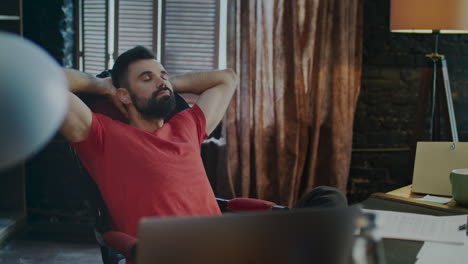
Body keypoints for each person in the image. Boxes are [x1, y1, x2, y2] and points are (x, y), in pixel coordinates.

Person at [60, 46, 237, 238]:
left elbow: (228, 78)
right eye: (146, 78)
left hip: (220, 247)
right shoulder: (101, 135)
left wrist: (168, 85)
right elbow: (42, 80)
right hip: (161, 253)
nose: (160, 81)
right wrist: (103, 87)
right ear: (124, 95)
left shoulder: (187, 125)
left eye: (163, 75)